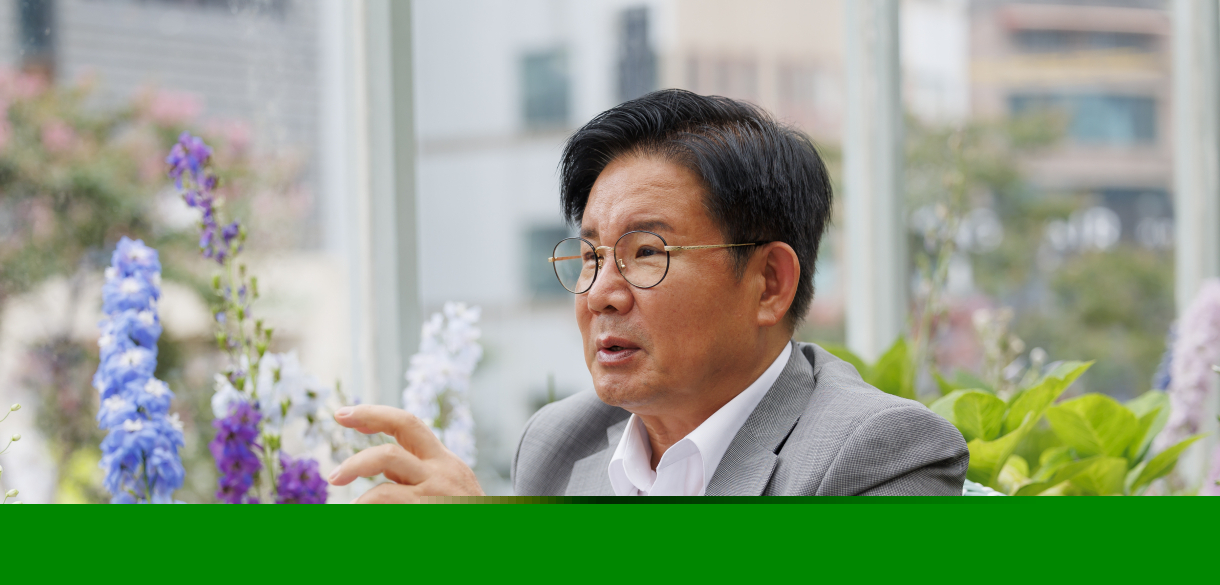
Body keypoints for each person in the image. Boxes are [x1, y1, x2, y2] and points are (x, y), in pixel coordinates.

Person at [329, 90, 969, 500]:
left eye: (647, 254)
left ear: (770, 284)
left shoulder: (878, 453)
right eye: (590, 256)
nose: (602, 293)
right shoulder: (559, 446)